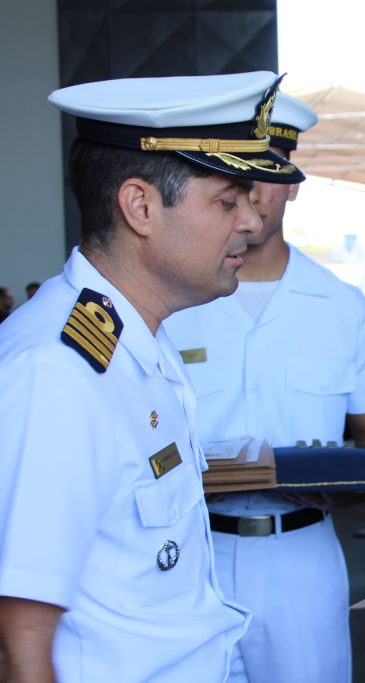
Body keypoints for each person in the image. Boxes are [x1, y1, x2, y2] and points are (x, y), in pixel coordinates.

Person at [0, 71, 303, 682]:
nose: (250, 221)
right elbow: (18, 640)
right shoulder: (56, 372)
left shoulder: (134, 343)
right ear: (140, 207)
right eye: (227, 199)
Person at [163, 93, 365, 683]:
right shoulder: (171, 305)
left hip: (301, 559)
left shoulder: (345, 311)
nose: (252, 190)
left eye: (268, 170)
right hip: (189, 557)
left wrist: (336, 490)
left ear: (292, 182)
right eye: (235, 171)